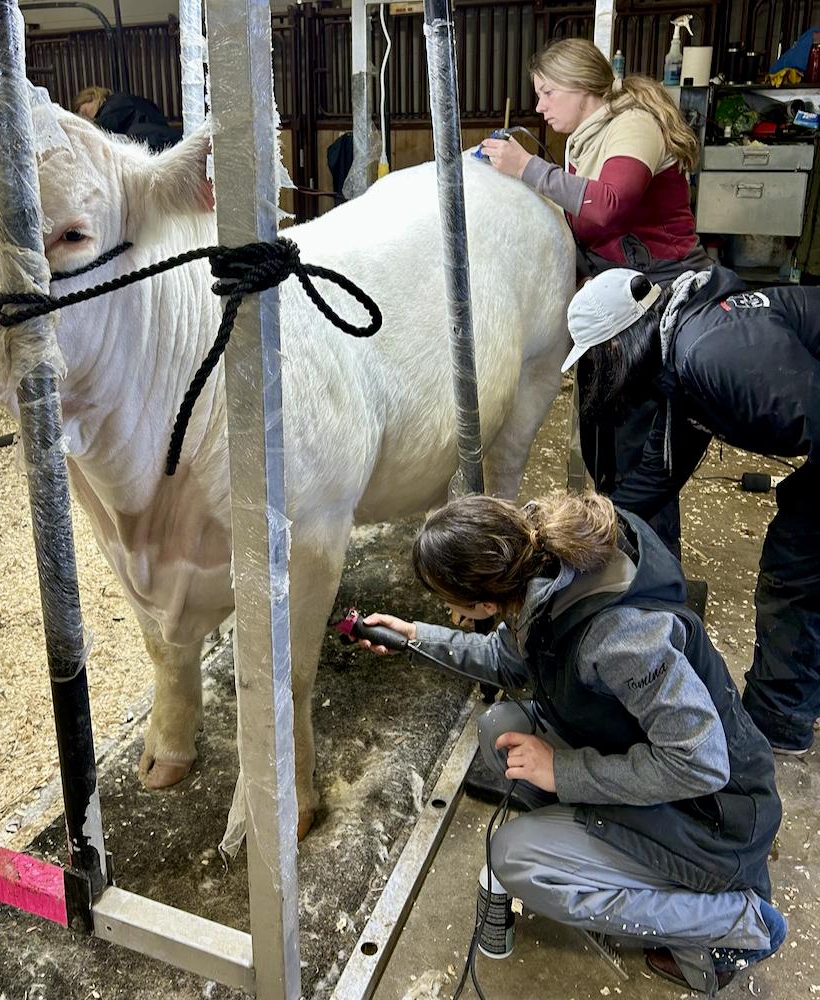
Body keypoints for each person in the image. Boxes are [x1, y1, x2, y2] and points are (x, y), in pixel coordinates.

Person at [357, 491, 785, 995]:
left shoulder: (620, 636)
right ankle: (591, 842)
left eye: (449, 605)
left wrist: (562, 771)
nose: (449, 613)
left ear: (487, 603)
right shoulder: (539, 552)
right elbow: (508, 657)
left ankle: (738, 921)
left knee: (515, 858)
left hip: (712, 816)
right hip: (654, 771)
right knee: (501, 730)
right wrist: (417, 638)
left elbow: (700, 763)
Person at [563, 264, 820, 757]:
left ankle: (778, 721)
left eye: (596, 362)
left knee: (797, 562)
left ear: (615, 347)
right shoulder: (682, 349)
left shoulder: (713, 353)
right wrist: (585, 530)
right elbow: (662, 472)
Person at [480, 38, 712, 559]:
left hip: (661, 301)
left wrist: (527, 169)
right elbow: (585, 225)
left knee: (638, 451)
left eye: (547, 93)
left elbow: (607, 207)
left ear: (582, 88)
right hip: (620, 304)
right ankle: (624, 562)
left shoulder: (634, 125)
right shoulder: (587, 136)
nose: (539, 107)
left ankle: (651, 577)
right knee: (604, 443)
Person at [71, 85, 182, 152]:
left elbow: (101, 129)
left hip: (155, 139)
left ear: (93, 97)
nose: (88, 118)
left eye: (85, 113)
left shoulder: (111, 106)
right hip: (161, 136)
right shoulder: (121, 99)